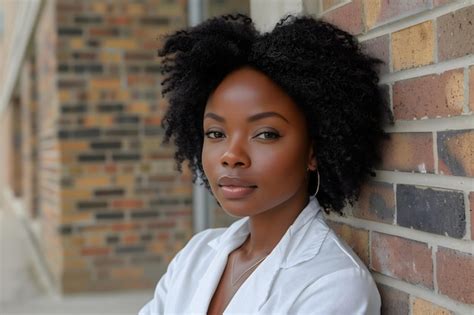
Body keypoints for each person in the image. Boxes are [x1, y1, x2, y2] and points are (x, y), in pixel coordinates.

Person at [139, 13, 391, 315]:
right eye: (216, 133)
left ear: (313, 151)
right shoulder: (195, 255)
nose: (231, 155)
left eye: (266, 134)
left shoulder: (333, 285)